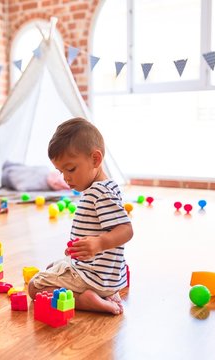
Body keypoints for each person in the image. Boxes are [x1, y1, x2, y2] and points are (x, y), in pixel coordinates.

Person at [28, 117, 133, 315]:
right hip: (110, 278)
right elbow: (96, 230)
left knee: (35, 287)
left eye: (70, 169)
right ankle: (105, 294)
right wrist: (81, 248)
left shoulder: (99, 192)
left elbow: (126, 230)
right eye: (61, 172)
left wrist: (99, 244)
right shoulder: (108, 187)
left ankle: (85, 300)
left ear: (95, 159)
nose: (66, 178)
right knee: (54, 265)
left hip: (94, 279)